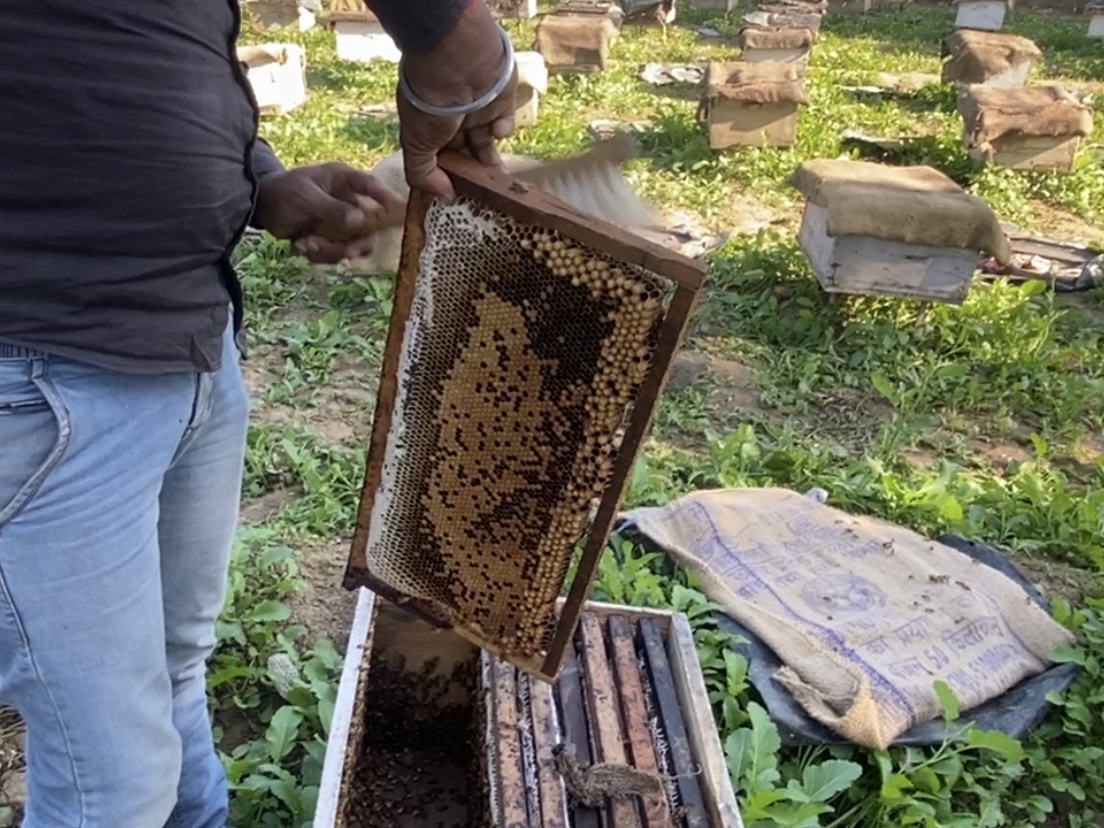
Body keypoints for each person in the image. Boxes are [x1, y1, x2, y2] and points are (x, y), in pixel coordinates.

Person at [0, 1, 518, 826]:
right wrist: (443, 30)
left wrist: (255, 181)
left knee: (174, 669)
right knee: (111, 781)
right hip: (39, 368)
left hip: (190, 341)